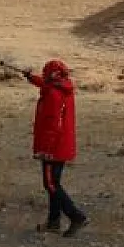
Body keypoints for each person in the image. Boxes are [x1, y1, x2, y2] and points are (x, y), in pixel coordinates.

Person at [22, 59, 88, 237]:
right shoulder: (62, 87)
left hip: (53, 147)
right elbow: (45, 84)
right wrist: (31, 77)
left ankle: (76, 217)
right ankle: (53, 222)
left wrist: (46, 150)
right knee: (54, 183)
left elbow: (53, 125)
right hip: (62, 145)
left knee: (51, 184)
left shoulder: (53, 94)